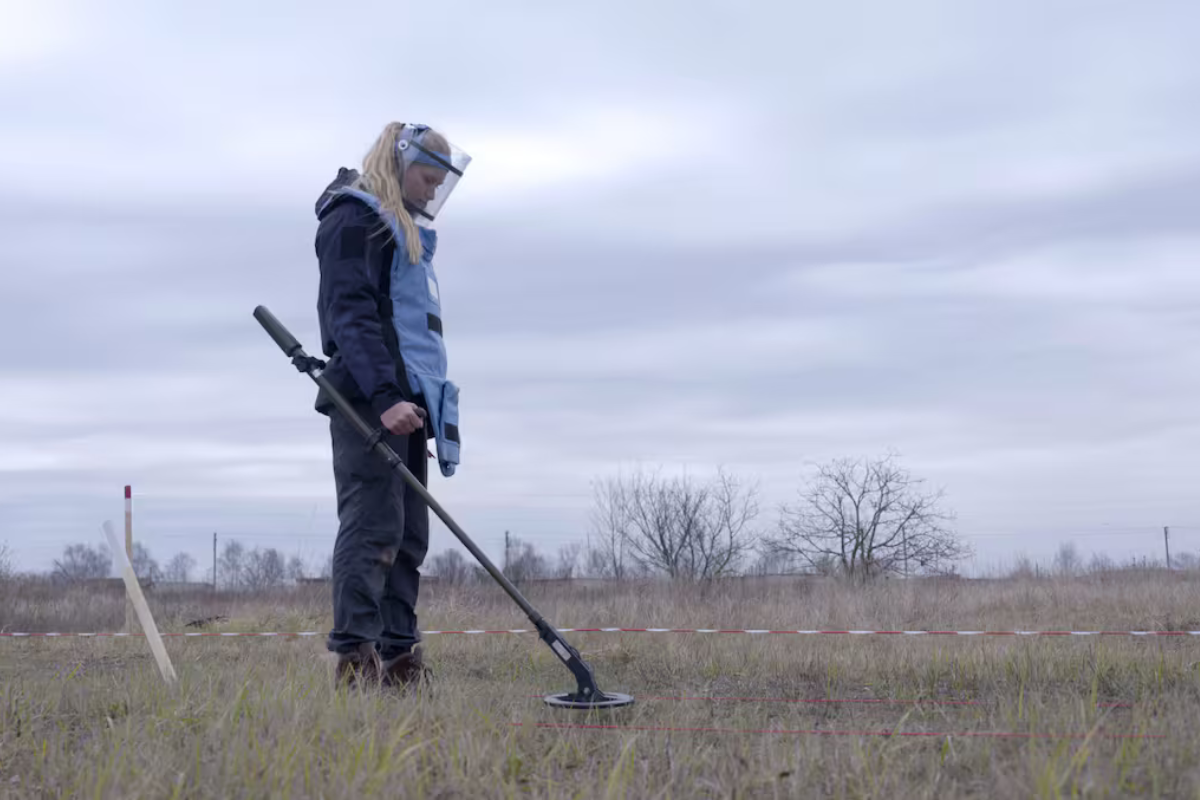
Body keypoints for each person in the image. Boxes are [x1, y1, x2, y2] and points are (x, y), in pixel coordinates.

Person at [311, 121, 470, 689]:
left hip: (405, 404)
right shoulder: (353, 219)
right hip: (367, 402)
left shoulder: (403, 232)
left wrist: (409, 400)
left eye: (438, 184)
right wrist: (383, 397)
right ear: (401, 163)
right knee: (373, 528)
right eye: (427, 178)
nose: (431, 192)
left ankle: (401, 659)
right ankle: (357, 661)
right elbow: (350, 315)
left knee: (409, 536)